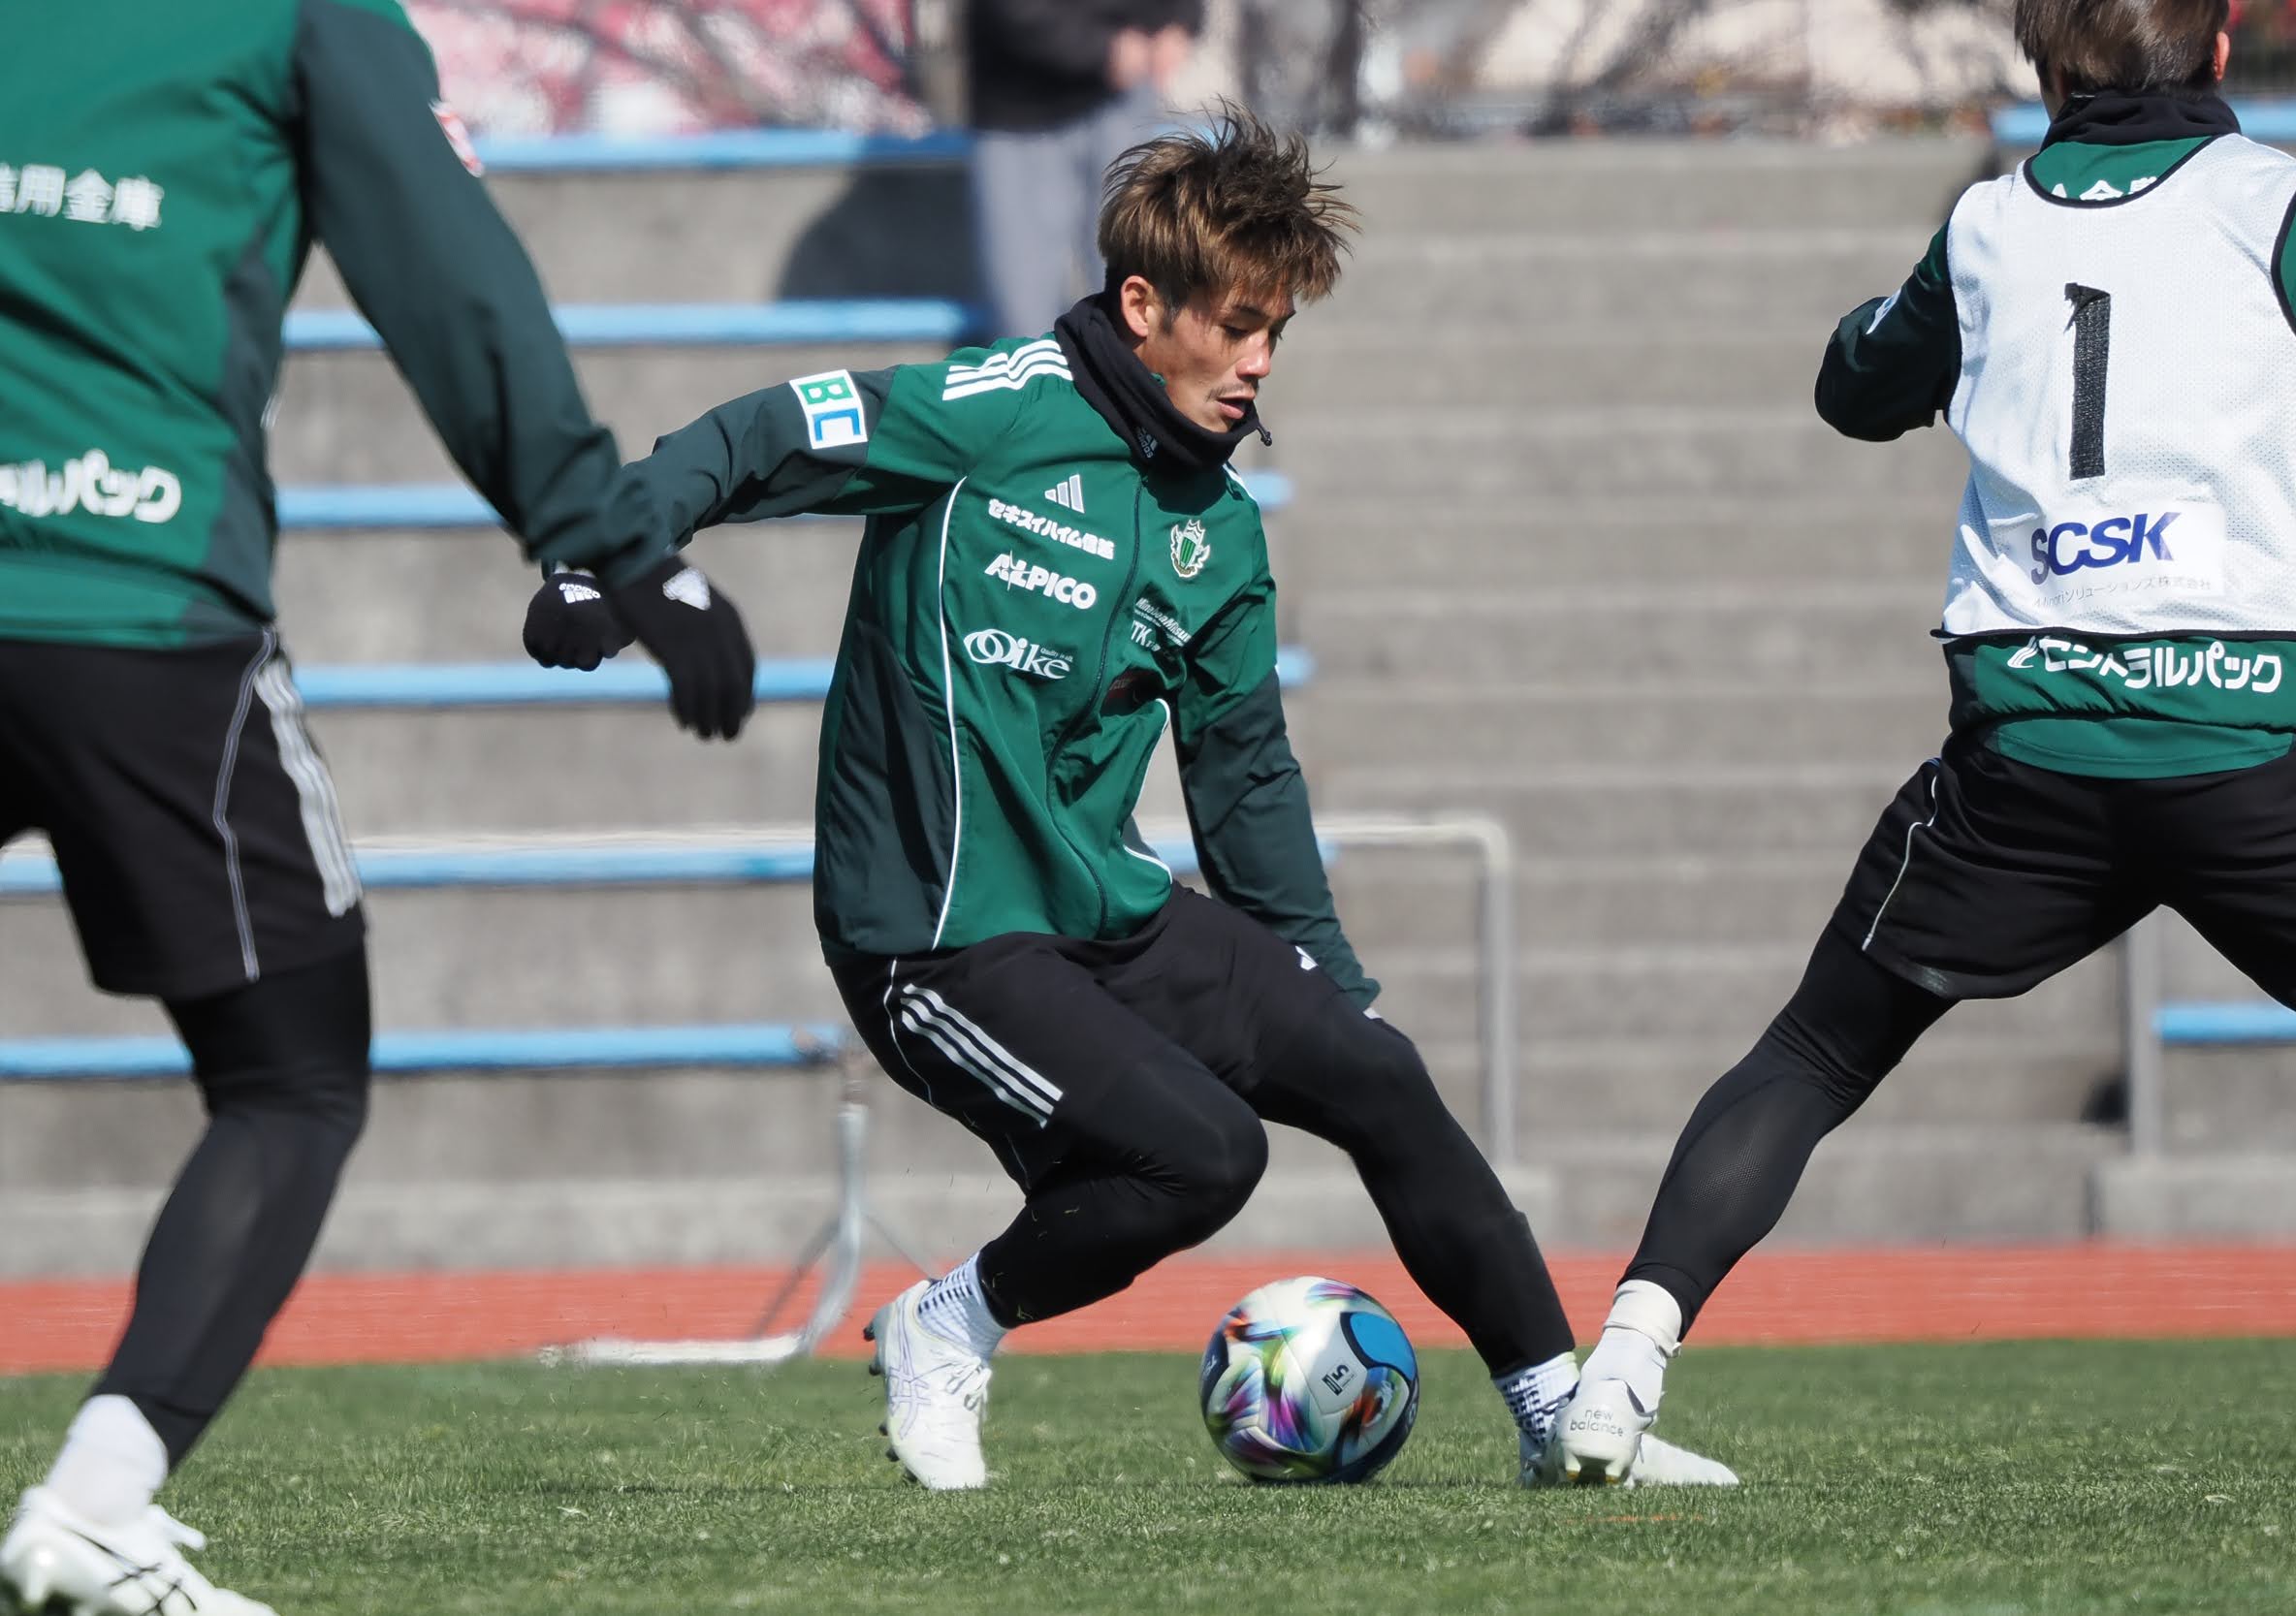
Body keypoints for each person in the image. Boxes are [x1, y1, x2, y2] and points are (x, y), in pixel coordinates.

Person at [524, 107, 1736, 1493]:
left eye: (1278, 330)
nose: (1261, 360)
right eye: (1239, 325)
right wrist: (603, 565)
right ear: (1145, 306)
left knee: (1380, 1072)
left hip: (1104, 914)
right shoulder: (991, 413)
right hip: (936, 934)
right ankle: (944, 1323)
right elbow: (759, 433)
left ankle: (1562, 1419)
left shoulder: (1219, 526)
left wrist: (1327, 982)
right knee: (1201, 1155)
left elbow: (1245, 769)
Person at [1560, 0, 2296, 1483]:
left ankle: (1616, 1375)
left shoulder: (1984, 228)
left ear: (2053, 64)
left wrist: (1889, 331)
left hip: (2026, 759)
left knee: (1814, 1049)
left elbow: (1856, 388)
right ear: (2222, 48)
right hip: (2247, 741)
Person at [0, 4, 756, 1611]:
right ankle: (97, 1503)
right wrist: (613, 538)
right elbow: (448, 277)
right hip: (138, 600)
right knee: (291, 1078)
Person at [965, 0, 1200, 343]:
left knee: (1141, 314)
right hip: (1022, 109)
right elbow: (1012, 12)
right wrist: (1102, 49)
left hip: (1126, 96)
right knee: (1023, 325)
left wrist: (1180, 20)